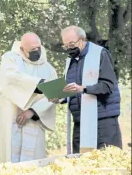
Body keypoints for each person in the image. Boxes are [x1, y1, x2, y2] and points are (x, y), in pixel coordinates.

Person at [51, 25, 122, 154]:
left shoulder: (100, 53)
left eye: (72, 44)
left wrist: (84, 88)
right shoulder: (70, 62)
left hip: (103, 121)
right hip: (80, 122)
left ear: (83, 39)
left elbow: (107, 86)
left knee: (108, 163)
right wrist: (60, 97)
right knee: (82, 165)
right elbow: (72, 90)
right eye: (65, 46)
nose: (69, 48)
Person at [0, 32, 58, 163]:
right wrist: (38, 85)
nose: (37, 51)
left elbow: (53, 94)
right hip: (11, 117)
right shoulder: (11, 59)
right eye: (33, 49)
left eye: (38, 47)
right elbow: (9, 79)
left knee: (33, 164)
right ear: (22, 48)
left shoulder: (48, 68)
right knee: (8, 160)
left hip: (34, 121)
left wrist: (32, 111)